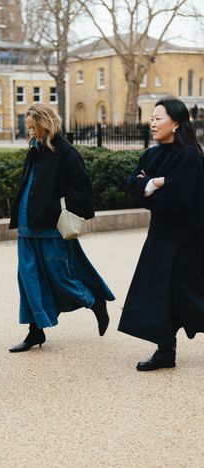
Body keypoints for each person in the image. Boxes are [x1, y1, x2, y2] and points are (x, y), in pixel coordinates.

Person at [8, 103, 115, 352]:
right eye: (29, 128)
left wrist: (57, 206)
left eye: (34, 127)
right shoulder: (34, 150)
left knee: (61, 276)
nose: (31, 132)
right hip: (27, 226)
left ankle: (95, 302)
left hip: (50, 227)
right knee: (28, 280)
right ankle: (35, 332)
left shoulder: (65, 151)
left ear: (45, 124)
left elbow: (81, 188)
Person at [118, 97, 204, 371]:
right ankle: (166, 352)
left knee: (187, 297)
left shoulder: (188, 156)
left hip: (186, 239)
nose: (152, 123)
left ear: (176, 123)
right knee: (157, 296)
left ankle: (166, 351)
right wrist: (155, 183)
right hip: (159, 236)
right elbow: (132, 185)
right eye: (152, 118)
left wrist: (147, 189)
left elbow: (177, 201)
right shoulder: (151, 155)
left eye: (159, 118)